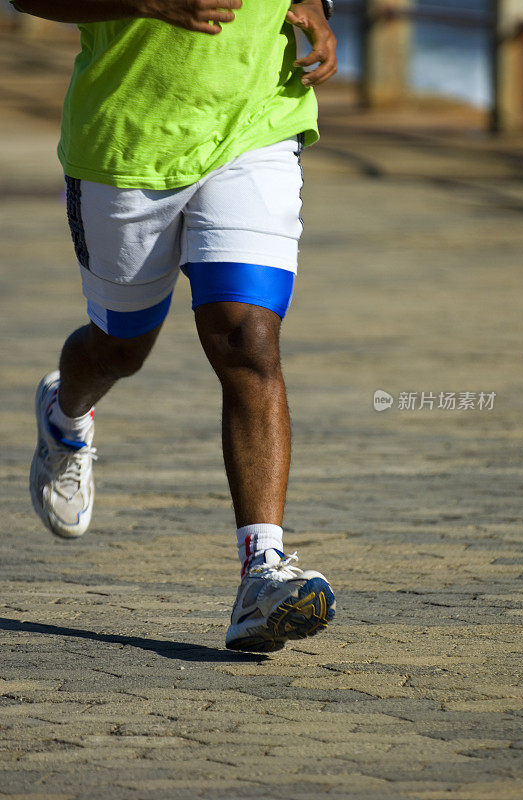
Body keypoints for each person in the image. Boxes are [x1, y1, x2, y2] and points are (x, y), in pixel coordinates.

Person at [13, 0, 337, 652]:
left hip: (256, 119)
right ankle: (64, 413)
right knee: (119, 347)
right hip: (127, 140)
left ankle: (261, 572)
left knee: (247, 336)